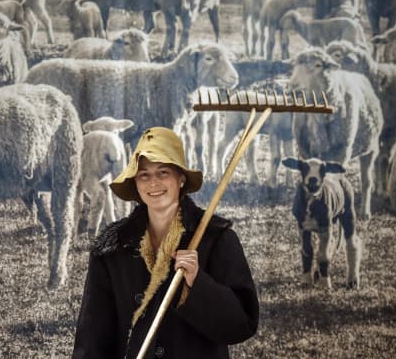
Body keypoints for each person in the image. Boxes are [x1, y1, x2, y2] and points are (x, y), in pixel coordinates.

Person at [72, 126, 259, 358]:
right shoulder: (112, 248)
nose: (153, 183)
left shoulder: (217, 238)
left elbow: (240, 326)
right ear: (135, 182)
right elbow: (92, 339)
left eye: (163, 172)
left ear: (181, 178)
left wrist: (197, 282)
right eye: (144, 175)